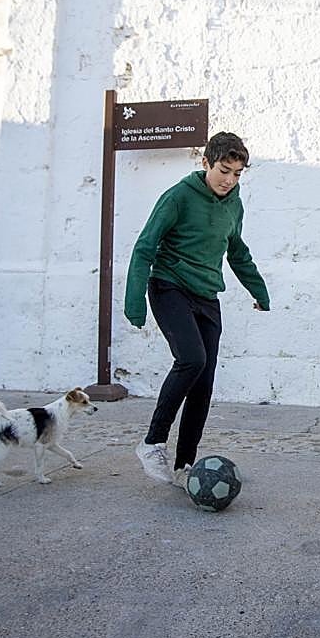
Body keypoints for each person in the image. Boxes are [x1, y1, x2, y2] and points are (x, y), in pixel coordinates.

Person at [125, 131, 270, 487]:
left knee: (203, 382)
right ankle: (152, 443)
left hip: (207, 296)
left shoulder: (234, 204)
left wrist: (259, 290)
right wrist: (135, 301)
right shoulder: (178, 196)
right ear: (205, 162)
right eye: (224, 170)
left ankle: (184, 464)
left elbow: (237, 251)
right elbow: (145, 246)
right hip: (169, 287)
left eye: (237, 173)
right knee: (192, 359)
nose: (229, 180)